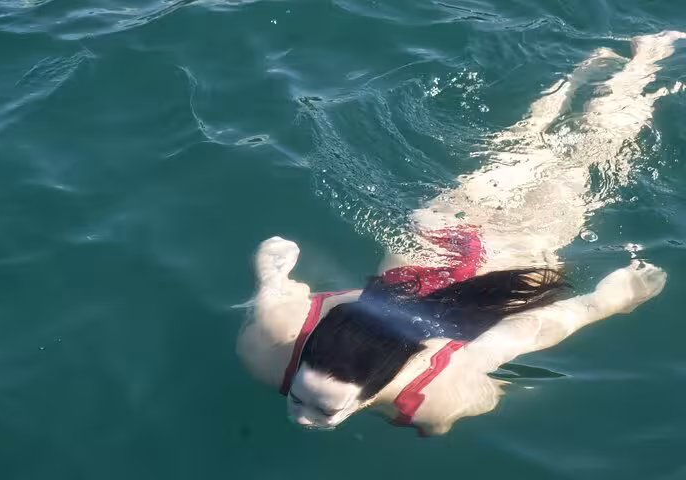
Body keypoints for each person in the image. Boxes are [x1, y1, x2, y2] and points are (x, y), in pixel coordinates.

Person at [237, 31, 682, 437]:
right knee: (530, 142)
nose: (300, 416)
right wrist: (272, 272)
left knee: (587, 150)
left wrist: (606, 302)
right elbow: (274, 289)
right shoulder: (270, 341)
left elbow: (519, 336)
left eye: (321, 411)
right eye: (300, 399)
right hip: (440, 234)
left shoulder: (434, 397)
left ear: (373, 393)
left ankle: (647, 59)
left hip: (511, 251)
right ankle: (591, 69)